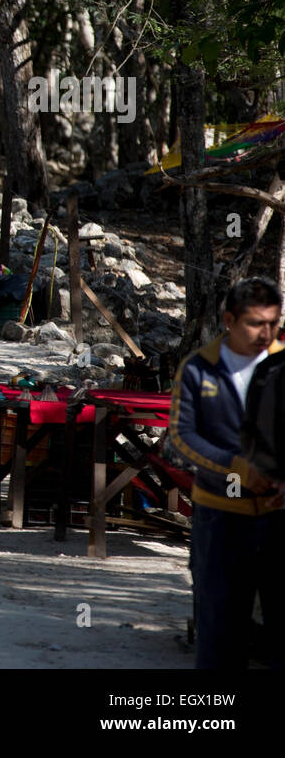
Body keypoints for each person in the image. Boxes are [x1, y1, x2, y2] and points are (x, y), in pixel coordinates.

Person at [170, 277, 285, 668]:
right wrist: (235, 469)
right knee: (220, 631)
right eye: (255, 323)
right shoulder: (199, 369)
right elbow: (182, 437)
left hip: (277, 518)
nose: (265, 333)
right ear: (230, 320)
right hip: (221, 518)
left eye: (273, 323)